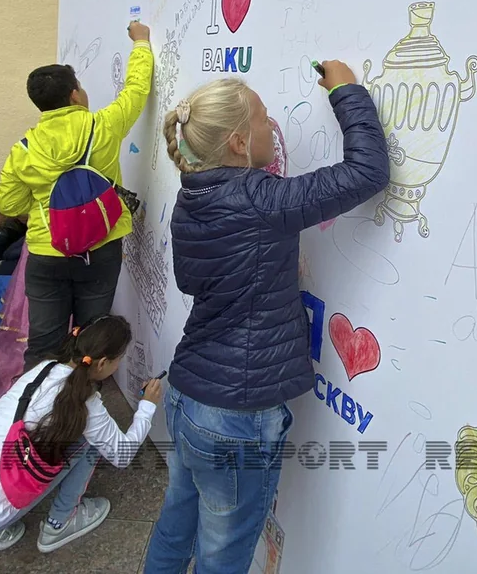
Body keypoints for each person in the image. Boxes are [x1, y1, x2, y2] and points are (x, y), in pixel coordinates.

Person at [142, 61, 390, 574]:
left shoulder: (192, 195)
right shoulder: (261, 198)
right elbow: (367, 171)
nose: (271, 124)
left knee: (175, 524)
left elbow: (192, 281)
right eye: (260, 117)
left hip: (186, 394)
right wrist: (346, 90)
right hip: (234, 416)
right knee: (222, 557)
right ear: (238, 142)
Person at [0, 21, 153, 370]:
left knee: (43, 344)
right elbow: (136, 89)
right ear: (74, 96)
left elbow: (9, 203)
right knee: (92, 339)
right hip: (100, 248)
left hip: (47, 252)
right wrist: (141, 43)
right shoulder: (103, 126)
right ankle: (82, 400)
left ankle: (36, 402)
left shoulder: (24, 149)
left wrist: (45, 202)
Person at [0, 314, 163, 553]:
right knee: (89, 441)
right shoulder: (85, 402)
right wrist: (147, 407)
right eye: (119, 359)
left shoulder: (44, 368)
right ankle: (61, 523)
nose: (119, 365)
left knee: (74, 429)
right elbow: (122, 455)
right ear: (102, 363)